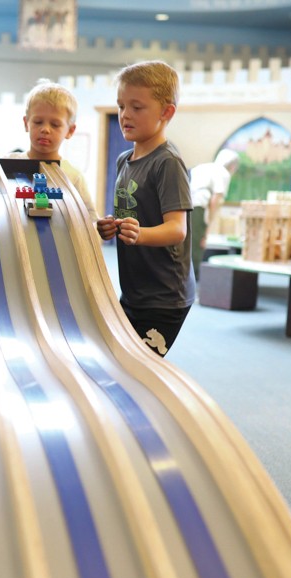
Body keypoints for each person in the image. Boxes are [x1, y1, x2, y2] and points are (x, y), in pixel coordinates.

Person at [94, 60, 195, 357]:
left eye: (137, 107)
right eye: (121, 106)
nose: (125, 115)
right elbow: (134, 217)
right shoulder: (124, 161)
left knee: (140, 369)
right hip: (135, 291)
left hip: (164, 298)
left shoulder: (167, 163)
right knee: (121, 361)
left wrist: (139, 235)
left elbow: (177, 229)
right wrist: (110, 226)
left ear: (166, 112)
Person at [0, 79, 98, 217]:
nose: (45, 129)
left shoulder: (73, 176)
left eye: (55, 124)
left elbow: (91, 218)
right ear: (26, 123)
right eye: (38, 122)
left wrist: (102, 227)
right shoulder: (7, 163)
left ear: (70, 131)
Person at [189, 149, 240, 280]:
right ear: (233, 165)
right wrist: (208, 225)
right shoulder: (223, 173)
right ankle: (192, 283)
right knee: (196, 245)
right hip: (198, 207)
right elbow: (215, 200)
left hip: (185, 204)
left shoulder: (203, 167)